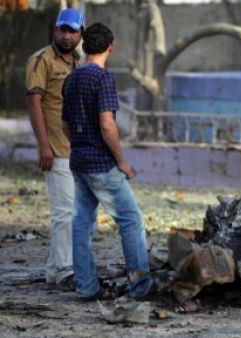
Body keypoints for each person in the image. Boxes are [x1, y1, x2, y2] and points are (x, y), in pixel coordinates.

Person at [61, 22, 152, 300]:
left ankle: (86, 287)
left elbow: (64, 123)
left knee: (81, 222)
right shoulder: (103, 79)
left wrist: (79, 145)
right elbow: (107, 125)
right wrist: (122, 161)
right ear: (110, 46)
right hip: (102, 164)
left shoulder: (72, 78)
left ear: (84, 45)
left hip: (79, 162)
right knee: (131, 220)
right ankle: (140, 287)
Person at [25, 8, 84, 290]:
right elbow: (34, 102)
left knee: (73, 210)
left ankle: (52, 270)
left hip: (76, 149)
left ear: (80, 33)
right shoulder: (41, 59)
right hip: (56, 148)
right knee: (65, 212)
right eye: (63, 29)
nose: (67, 35)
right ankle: (64, 270)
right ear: (55, 30)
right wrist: (43, 145)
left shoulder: (79, 62)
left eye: (72, 30)